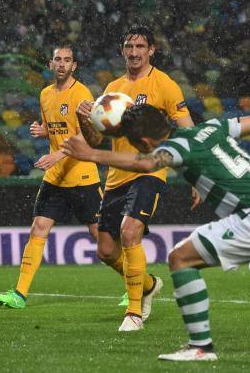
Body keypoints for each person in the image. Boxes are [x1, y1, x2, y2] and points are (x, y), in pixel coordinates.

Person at [63, 104, 250, 361]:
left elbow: (148, 164)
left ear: (145, 142)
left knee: (180, 258)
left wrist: (91, 154)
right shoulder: (211, 127)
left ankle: (200, 347)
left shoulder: (175, 147)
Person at [88, 26, 195, 331]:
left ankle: (134, 312)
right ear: (122, 50)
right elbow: (97, 138)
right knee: (106, 251)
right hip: (117, 176)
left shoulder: (165, 85)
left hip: (150, 170)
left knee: (130, 232)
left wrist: (195, 175)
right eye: (128, 46)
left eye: (139, 46)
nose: (133, 52)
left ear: (152, 50)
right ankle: (147, 284)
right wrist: (90, 117)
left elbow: (188, 131)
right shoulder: (113, 86)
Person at [0, 44, 102, 309]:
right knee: (38, 229)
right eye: (57, 60)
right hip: (55, 178)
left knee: (103, 239)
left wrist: (56, 155)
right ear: (51, 65)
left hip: (82, 176)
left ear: (74, 66)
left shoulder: (82, 93)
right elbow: (54, 127)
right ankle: (19, 294)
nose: (62, 64)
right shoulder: (44, 94)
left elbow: (85, 135)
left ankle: (136, 284)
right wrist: (42, 131)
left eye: (67, 60)